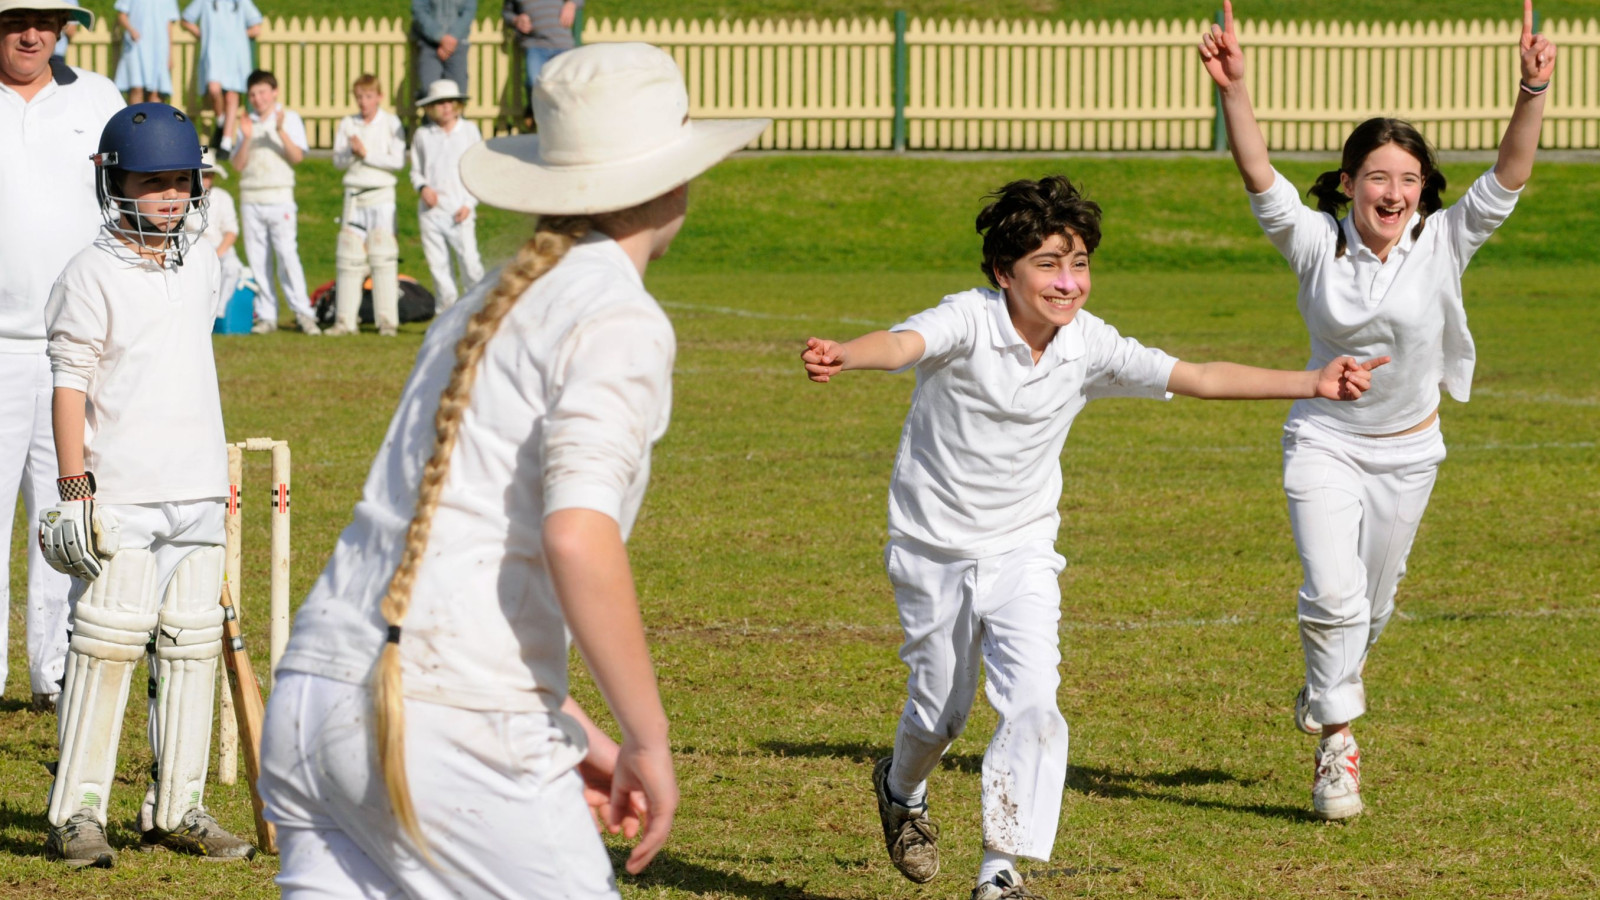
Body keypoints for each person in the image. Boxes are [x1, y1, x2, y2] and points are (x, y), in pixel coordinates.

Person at [257, 43, 768, 898]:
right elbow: (576, 537)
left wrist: (579, 736)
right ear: (673, 180)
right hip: (442, 724)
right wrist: (648, 739)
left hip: (316, 700)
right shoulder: (616, 315)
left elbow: (446, 551)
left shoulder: (480, 301)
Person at [801, 175, 1387, 899]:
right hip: (932, 551)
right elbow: (901, 344)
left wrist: (1313, 382)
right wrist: (846, 355)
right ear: (1001, 272)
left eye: (1078, 262)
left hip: (1023, 551)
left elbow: (1198, 375)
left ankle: (1000, 871)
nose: (1068, 281)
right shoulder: (969, 319)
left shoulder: (1090, 343)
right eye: (1047, 263)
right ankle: (901, 791)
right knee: (939, 711)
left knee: (1035, 704)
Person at [1199, 0, 1556, 821]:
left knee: (1372, 608)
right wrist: (1235, 93)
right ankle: (1337, 747)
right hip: (1324, 440)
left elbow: (1509, 175)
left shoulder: (1444, 240)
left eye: (1406, 179)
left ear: (1423, 188)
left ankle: (1327, 684)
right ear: (1351, 182)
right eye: (1375, 177)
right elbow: (1260, 176)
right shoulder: (1315, 241)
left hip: (1409, 453)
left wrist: (1532, 91)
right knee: (1332, 595)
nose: (1391, 193)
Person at [38, 102, 255, 868]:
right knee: (106, 650)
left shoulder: (200, 261)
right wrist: (73, 487)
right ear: (113, 183)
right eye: (150, 181)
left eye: (179, 181)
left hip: (196, 486)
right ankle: (78, 814)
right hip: (121, 492)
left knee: (192, 651)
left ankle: (178, 808)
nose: (167, 196)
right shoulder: (89, 273)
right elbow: (69, 385)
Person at [0, 0, 122, 715]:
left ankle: (56, 670)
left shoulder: (98, 97)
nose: (32, 33)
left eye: (47, 19)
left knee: (64, 513)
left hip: (68, 349)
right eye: (17, 18)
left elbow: (124, 207)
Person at [231, 68, 320, 334]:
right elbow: (237, 165)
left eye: (262, 92)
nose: (258, 99)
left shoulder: (288, 118)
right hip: (251, 196)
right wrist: (246, 137)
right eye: (253, 94)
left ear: (274, 92)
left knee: (287, 256)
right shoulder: (247, 122)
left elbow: (297, 157)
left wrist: (280, 131)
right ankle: (267, 315)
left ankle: (303, 313)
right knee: (258, 259)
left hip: (279, 195)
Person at [329, 73, 406, 336]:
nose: (364, 102)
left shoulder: (391, 122)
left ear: (379, 97)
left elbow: (397, 161)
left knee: (382, 255)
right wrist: (352, 153)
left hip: (382, 193)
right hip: (354, 193)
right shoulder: (348, 124)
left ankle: (387, 322)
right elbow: (337, 162)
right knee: (349, 255)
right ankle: (344, 322)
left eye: (369, 96)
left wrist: (366, 154)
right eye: (359, 97)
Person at [409, 78, 484, 313]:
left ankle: (478, 311)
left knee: (470, 265)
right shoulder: (423, 135)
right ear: (431, 107)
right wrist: (423, 188)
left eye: (450, 102)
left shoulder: (470, 131)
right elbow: (415, 171)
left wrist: (469, 203)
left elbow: (477, 171)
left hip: (459, 209)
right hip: (431, 212)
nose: (446, 107)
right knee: (439, 267)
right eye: (440, 103)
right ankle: (445, 315)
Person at [180, 0, 263, 153]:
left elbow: (256, 27)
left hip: (236, 55)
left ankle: (225, 142)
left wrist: (237, 36)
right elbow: (186, 20)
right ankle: (221, 121)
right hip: (214, 53)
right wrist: (203, 34)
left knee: (232, 95)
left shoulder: (241, 2)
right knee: (214, 89)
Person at [195, 147, 243, 316]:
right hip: (191, 246)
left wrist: (218, 253)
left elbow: (231, 231)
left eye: (207, 175)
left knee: (232, 267)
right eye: (200, 175)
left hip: (217, 246)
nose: (204, 180)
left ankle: (218, 310)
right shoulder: (183, 200)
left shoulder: (222, 197)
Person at [503, 0, 579, 99]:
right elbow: (507, 13)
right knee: (534, 84)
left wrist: (571, 4)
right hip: (535, 44)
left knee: (568, 86)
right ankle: (535, 112)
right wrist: (516, 20)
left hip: (562, 43)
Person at [112, 0, 178, 104]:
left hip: (159, 48)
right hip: (135, 47)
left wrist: (170, 55)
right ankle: (136, 119)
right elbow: (122, 15)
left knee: (155, 92)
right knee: (136, 88)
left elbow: (169, 25)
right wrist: (131, 30)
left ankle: (154, 120)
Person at [411, 0, 475, 101]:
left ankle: (457, 117)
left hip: (457, 44)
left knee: (458, 92)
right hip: (429, 44)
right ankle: (430, 117)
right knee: (429, 92)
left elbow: (468, 12)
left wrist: (452, 37)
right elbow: (419, 10)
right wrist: (439, 36)